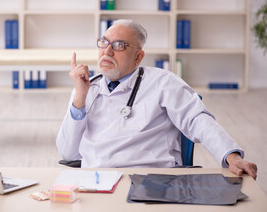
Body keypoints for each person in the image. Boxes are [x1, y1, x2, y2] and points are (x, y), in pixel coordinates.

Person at [56, 19, 257, 179]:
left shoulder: (163, 82)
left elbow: (197, 120)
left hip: (151, 181)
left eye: (119, 45)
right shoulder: (85, 87)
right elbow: (68, 153)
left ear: (138, 57)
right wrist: (80, 99)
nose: (107, 51)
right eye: (104, 43)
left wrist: (231, 156)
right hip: (96, 183)